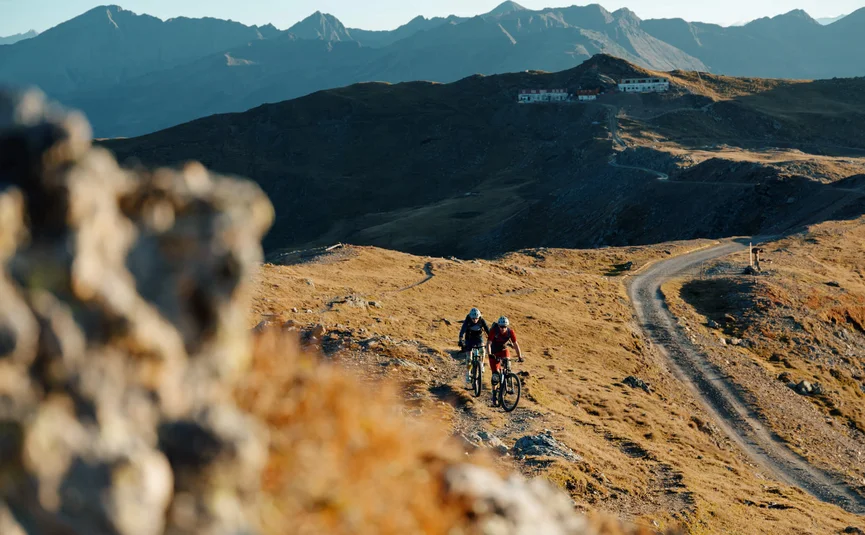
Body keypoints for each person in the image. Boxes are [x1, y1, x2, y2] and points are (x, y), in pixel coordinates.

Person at [485, 316, 523, 402]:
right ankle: (494, 393)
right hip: (494, 351)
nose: (503, 328)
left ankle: (508, 382)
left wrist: (520, 356)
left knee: (508, 365)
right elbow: (488, 343)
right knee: (495, 375)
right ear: (498, 326)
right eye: (501, 327)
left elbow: (515, 344)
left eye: (505, 327)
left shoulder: (510, 332)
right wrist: (490, 354)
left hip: (503, 350)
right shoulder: (494, 331)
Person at [459, 307, 490, 385]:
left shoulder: (481, 320)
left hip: (478, 337)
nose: (475, 320)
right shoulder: (468, 320)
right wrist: (460, 339)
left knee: (482, 350)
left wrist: (491, 339)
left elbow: (487, 329)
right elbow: (463, 330)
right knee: (469, 358)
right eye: (473, 319)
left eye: (476, 318)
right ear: (470, 317)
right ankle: (468, 373)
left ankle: (482, 365)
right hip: (469, 338)